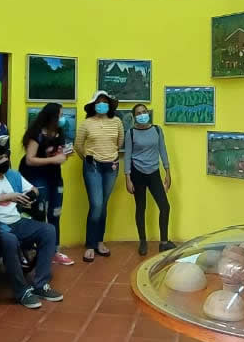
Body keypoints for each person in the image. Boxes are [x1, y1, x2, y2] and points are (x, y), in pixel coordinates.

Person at [0, 144, 64, 308]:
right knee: (9, 240)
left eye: (5, 156)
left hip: (17, 220)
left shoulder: (12, 175)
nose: (5, 160)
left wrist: (28, 196)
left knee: (49, 230)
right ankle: (21, 291)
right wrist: (10, 196)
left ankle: (41, 285)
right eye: (0, 158)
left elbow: (34, 189)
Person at [19, 103, 74, 266]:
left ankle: (54, 251)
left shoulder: (60, 132)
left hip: (54, 177)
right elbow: (30, 159)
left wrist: (64, 154)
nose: (63, 118)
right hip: (36, 177)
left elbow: (59, 153)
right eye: (60, 115)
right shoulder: (36, 134)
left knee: (55, 213)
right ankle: (32, 250)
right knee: (38, 213)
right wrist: (54, 159)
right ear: (51, 116)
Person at [74, 90, 124, 263]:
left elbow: (120, 142)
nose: (102, 104)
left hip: (112, 166)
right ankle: (90, 244)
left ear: (109, 105)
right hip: (92, 166)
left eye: (105, 102)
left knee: (103, 205)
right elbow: (78, 145)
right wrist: (88, 159)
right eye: (99, 102)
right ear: (93, 105)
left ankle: (100, 242)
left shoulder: (117, 121)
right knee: (96, 204)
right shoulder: (86, 123)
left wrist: (112, 157)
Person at [123, 103, 175, 256]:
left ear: (148, 113)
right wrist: (127, 178)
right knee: (141, 208)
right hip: (137, 173)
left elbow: (163, 150)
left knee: (164, 207)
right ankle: (143, 241)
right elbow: (127, 156)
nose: (142, 114)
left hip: (154, 173)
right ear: (134, 117)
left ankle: (164, 242)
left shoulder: (157, 130)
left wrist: (167, 172)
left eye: (144, 111)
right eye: (138, 113)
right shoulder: (131, 133)